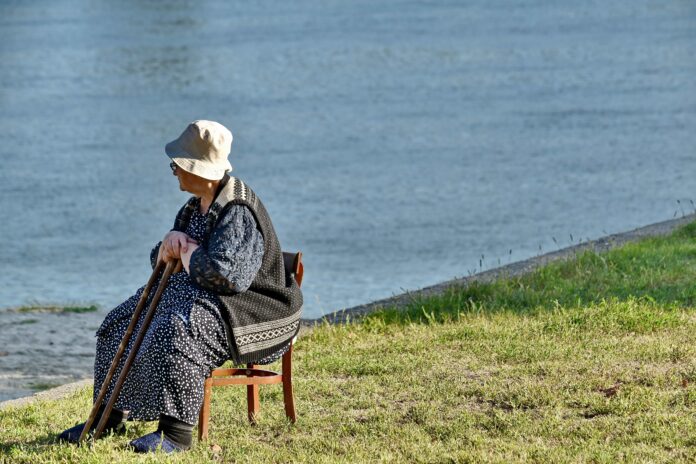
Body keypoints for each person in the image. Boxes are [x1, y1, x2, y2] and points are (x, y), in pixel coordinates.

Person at [58, 120, 303, 453]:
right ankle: (108, 415)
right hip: (207, 296)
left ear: (198, 170)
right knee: (119, 322)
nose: (173, 170)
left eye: (178, 164)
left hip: (251, 307)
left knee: (176, 330)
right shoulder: (194, 206)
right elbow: (169, 266)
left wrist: (187, 251)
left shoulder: (237, 211)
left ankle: (175, 433)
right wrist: (166, 247)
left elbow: (228, 279)